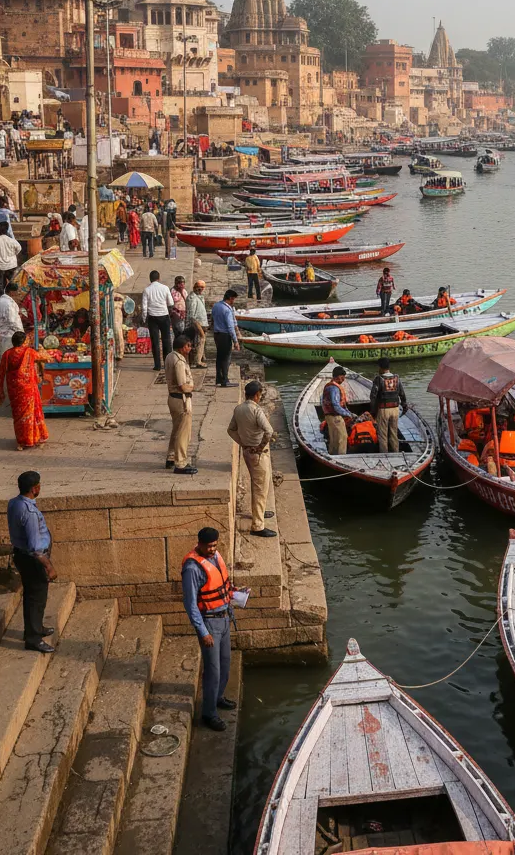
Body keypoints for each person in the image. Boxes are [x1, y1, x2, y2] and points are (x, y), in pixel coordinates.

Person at [181, 527, 236, 731]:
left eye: (215, 545)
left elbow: (221, 584)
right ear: (200, 544)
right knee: (212, 670)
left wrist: (235, 594)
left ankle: (218, 697)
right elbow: (190, 603)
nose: (213, 549)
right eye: (209, 546)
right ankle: (209, 713)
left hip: (224, 618)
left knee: (225, 663)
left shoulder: (216, 556)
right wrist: (203, 632)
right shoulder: (192, 568)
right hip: (210, 622)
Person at [7, 470, 58, 653]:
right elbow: (35, 548)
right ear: (35, 488)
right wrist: (49, 566)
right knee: (36, 597)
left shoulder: (14, 503)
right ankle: (33, 638)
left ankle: (35, 628)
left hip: (21, 555)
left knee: (33, 595)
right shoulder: (29, 513)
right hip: (32, 559)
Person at [227, 380, 278, 538]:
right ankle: (257, 525)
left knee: (258, 484)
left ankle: (259, 513)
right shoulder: (257, 410)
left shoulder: (238, 409)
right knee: (260, 488)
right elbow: (269, 431)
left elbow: (231, 430)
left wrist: (243, 443)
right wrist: (260, 447)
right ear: (257, 395)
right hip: (258, 454)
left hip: (247, 451)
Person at [0, 330, 49, 449]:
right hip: (28, 388)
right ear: (24, 341)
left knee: (18, 415)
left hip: (14, 389)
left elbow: (1, 373)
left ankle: (21, 441)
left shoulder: (7, 354)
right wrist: (41, 349)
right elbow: (45, 357)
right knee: (30, 414)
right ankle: (32, 438)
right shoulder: (29, 352)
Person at [165, 335, 198, 475]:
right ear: (182, 347)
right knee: (183, 433)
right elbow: (182, 386)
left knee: (176, 429)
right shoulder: (179, 362)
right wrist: (193, 387)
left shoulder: (170, 356)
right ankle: (181, 462)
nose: (190, 349)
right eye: (188, 346)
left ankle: (171, 457)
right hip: (181, 400)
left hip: (173, 398)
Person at [369, 356, 407, 453]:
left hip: (383, 409)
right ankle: (396, 452)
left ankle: (384, 454)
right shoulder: (396, 378)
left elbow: (373, 396)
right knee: (394, 433)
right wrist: (404, 406)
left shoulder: (379, 379)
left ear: (380, 367)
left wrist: (373, 411)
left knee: (383, 435)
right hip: (395, 409)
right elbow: (402, 394)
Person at [141, 269, 175, 371]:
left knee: (155, 341)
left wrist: (144, 319)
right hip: (164, 316)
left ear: (150, 279)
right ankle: (167, 364)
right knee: (166, 341)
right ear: (159, 278)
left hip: (152, 318)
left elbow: (144, 307)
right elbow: (170, 303)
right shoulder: (165, 288)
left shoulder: (147, 290)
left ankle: (157, 365)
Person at [321, 365, 353, 455]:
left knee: (334, 438)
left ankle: (333, 455)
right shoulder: (334, 388)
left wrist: (348, 412)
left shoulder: (329, 386)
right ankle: (341, 457)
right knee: (342, 438)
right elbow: (336, 405)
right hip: (335, 416)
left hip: (329, 416)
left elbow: (322, 400)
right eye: (342, 377)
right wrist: (348, 414)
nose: (343, 380)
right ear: (338, 376)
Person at [211, 289, 240, 387]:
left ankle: (219, 378)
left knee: (219, 357)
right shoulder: (227, 310)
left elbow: (213, 319)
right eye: (234, 299)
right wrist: (235, 341)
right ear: (231, 298)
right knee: (225, 358)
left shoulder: (216, 306)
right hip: (224, 335)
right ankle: (225, 380)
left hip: (217, 334)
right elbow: (230, 327)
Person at [0, 223, 23, 299]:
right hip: (11, 265)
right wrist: (13, 255)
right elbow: (19, 248)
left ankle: (0, 301)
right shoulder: (12, 240)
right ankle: (14, 298)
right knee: (13, 284)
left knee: (0, 285)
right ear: (7, 230)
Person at [0, 281, 24, 356]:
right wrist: (20, 332)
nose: (17, 294)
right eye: (16, 292)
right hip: (10, 336)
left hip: (4, 334)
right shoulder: (8, 303)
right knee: (11, 357)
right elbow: (11, 321)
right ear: (11, 292)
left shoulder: (1, 300)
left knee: (5, 356)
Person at [187, 279, 208, 368]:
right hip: (197, 325)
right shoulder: (192, 298)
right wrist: (199, 329)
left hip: (203, 324)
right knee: (197, 342)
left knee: (201, 343)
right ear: (195, 288)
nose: (201, 290)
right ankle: (197, 362)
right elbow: (192, 316)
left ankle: (199, 359)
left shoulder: (200, 297)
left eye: (202, 288)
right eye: (199, 288)